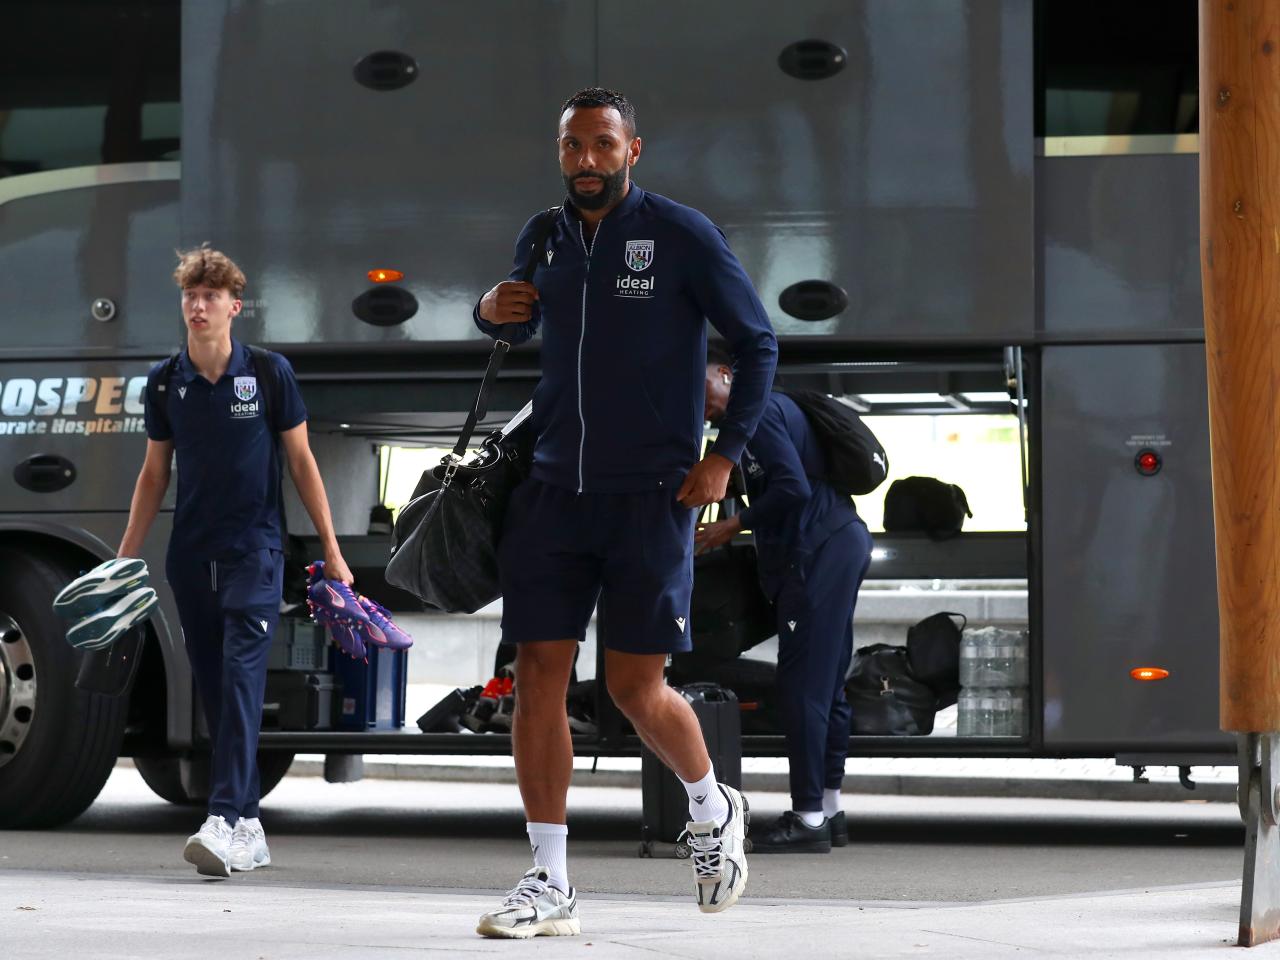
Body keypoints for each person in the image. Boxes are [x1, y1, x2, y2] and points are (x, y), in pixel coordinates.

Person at [472, 87, 777, 938]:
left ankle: (712, 806)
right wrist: (489, 310)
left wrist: (725, 456)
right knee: (537, 675)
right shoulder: (544, 235)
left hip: (652, 496)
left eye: (603, 145)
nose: (586, 161)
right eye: (573, 146)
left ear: (632, 151)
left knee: (634, 689)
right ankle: (549, 881)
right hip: (551, 492)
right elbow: (508, 321)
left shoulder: (680, 234)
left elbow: (757, 344)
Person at [117, 247, 355, 878]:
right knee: (217, 694)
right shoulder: (167, 382)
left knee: (243, 677)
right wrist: (122, 560)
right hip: (190, 557)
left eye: (210, 296)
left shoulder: (269, 373)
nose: (198, 306)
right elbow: (152, 474)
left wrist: (332, 551)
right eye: (190, 296)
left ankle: (223, 820)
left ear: (233, 306)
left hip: (256, 550)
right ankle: (250, 825)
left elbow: (302, 463)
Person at [697, 349, 873, 853]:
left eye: (700, 385)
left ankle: (808, 818)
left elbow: (791, 488)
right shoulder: (763, 416)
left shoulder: (761, 411)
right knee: (827, 684)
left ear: (727, 374)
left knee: (802, 687)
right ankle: (830, 810)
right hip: (835, 542)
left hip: (816, 551)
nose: (698, 404)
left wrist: (736, 522)